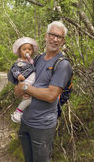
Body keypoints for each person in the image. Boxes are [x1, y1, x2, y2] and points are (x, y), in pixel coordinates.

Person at [14, 21, 72, 162]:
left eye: (59, 37)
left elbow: (51, 95)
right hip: (26, 120)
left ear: (63, 41)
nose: (55, 39)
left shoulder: (63, 64)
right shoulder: (38, 59)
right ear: (46, 36)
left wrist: (27, 89)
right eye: (52, 35)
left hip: (42, 125)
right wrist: (21, 88)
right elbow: (23, 84)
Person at [8, 37, 38, 123]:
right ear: (19, 51)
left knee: (30, 99)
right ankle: (18, 112)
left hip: (32, 84)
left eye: (29, 49)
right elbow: (15, 69)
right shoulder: (19, 62)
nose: (27, 51)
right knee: (28, 100)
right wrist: (18, 75)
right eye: (24, 49)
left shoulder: (31, 61)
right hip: (26, 82)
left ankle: (23, 114)